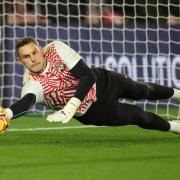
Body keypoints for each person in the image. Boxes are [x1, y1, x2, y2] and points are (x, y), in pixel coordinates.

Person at [1, 36, 180, 134]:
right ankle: (174, 127)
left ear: (41, 49)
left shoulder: (55, 49)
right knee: (140, 117)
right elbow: (27, 101)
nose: (33, 58)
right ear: (20, 62)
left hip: (102, 82)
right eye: (26, 56)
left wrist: (71, 105)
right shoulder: (32, 83)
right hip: (94, 111)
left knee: (142, 89)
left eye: (35, 52)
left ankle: (177, 94)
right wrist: (7, 114)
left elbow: (86, 75)